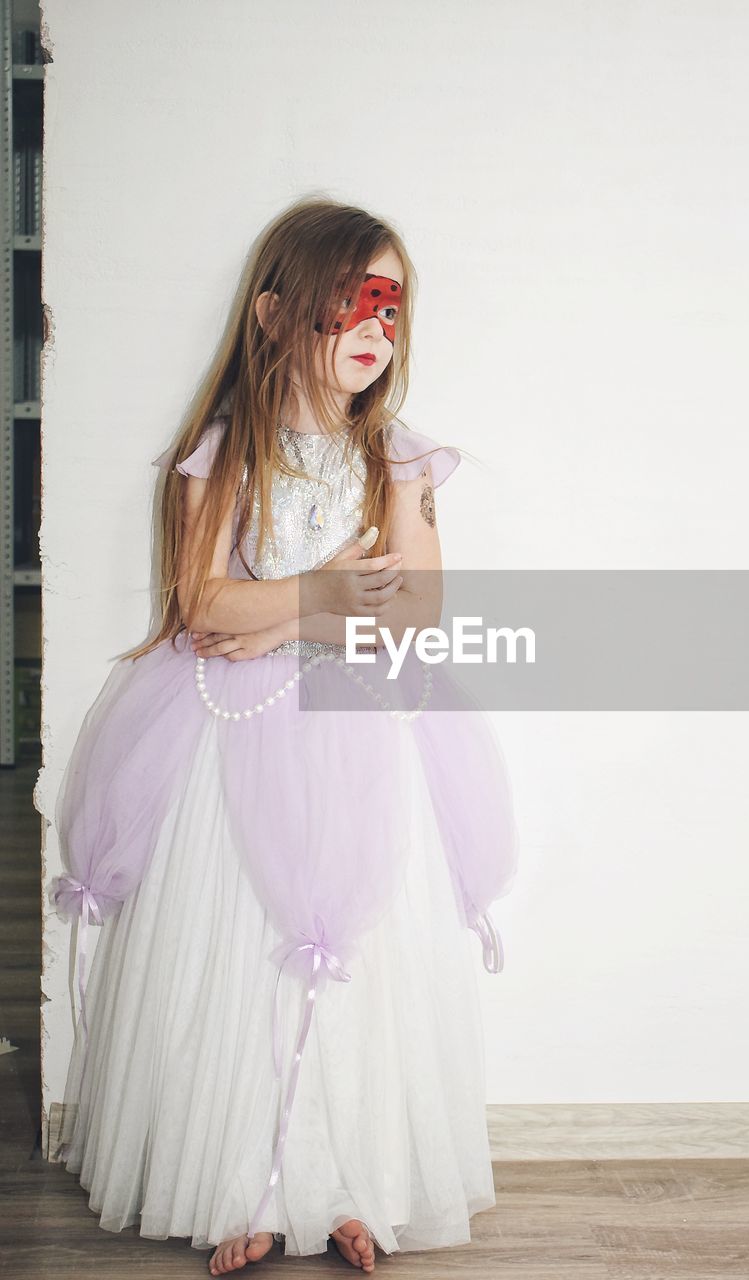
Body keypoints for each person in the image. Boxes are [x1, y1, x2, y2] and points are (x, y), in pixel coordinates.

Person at [49, 196, 518, 1275]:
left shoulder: (398, 457)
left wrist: (292, 613)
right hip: (227, 744)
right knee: (247, 956)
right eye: (354, 299)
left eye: (392, 307)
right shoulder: (228, 451)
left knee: (357, 951)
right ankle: (243, 1186)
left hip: (363, 743)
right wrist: (321, 597)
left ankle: (353, 1185)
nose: (376, 326)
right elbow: (207, 609)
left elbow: (414, 617)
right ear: (274, 312)